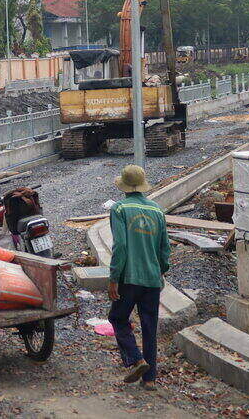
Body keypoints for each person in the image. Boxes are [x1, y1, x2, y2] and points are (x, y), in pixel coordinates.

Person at [107, 165, 171, 390]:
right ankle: (150, 379)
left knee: (117, 317)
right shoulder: (157, 210)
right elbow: (165, 248)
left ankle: (136, 359)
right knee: (149, 326)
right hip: (152, 279)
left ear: (124, 186)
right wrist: (161, 271)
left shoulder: (119, 209)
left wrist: (114, 277)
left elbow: (121, 245)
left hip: (128, 277)